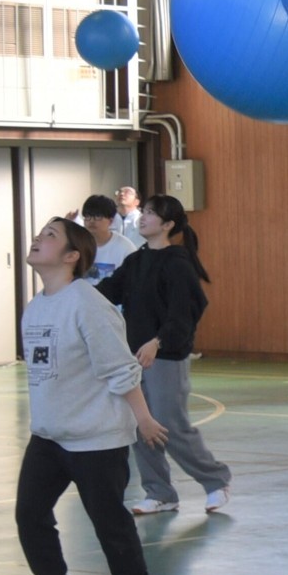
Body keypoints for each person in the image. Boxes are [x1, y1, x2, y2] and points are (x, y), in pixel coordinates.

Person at [16, 218, 169, 575]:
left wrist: (143, 419)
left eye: (50, 236)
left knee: (108, 521)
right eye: (40, 233)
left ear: (71, 256)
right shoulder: (36, 307)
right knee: (29, 514)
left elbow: (120, 369)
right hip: (48, 436)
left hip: (96, 438)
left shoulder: (88, 303)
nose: (37, 239)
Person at [96, 195, 231, 516]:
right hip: (133, 357)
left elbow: (187, 311)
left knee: (169, 423)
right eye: (144, 212)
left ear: (168, 225)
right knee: (140, 425)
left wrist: (158, 341)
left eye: (151, 214)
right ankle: (160, 492)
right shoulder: (137, 260)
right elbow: (109, 290)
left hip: (165, 357)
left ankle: (215, 480)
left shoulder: (177, 262)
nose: (143, 218)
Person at [78, 194, 137, 285]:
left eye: (98, 216)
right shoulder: (77, 245)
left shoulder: (125, 247)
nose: (91, 221)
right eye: (88, 216)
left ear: (111, 220)